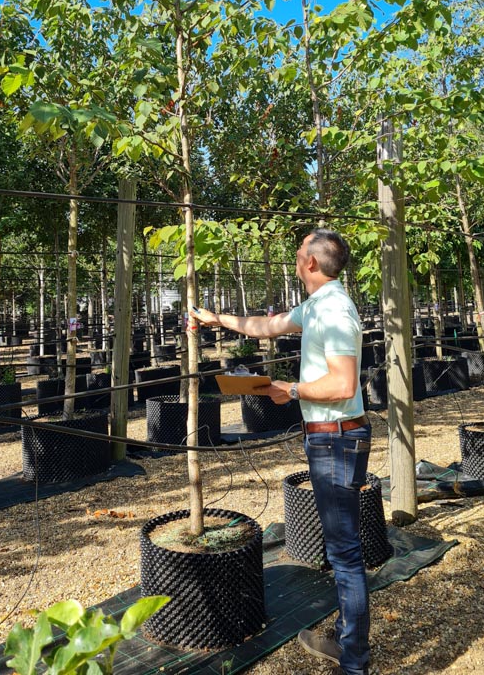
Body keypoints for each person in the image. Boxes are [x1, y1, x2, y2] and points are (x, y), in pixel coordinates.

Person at [189, 228, 371, 675]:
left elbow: (343, 384)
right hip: (328, 437)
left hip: (336, 439)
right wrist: (219, 320)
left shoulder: (334, 312)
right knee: (339, 549)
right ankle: (347, 641)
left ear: (311, 263)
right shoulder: (316, 306)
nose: (293, 260)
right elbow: (268, 325)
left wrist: (290, 388)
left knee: (346, 555)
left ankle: (355, 663)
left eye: (297, 254)